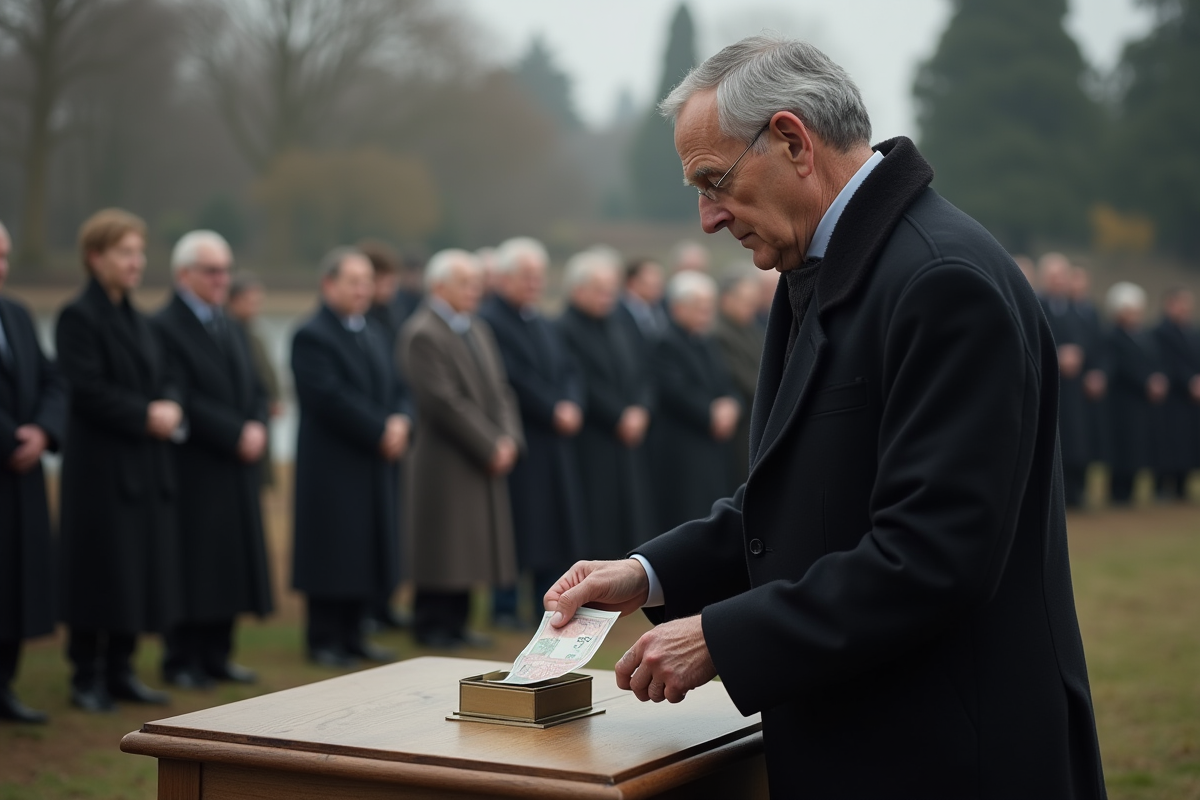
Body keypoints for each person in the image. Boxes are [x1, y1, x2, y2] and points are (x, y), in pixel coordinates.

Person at [544, 36, 1105, 799]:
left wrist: (720, 637)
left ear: (792, 141)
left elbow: (933, 555)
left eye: (714, 182)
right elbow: (800, 498)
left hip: (949, 756)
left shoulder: (942, 282)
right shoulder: (824, 263)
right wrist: (646, 575)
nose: (708, 218)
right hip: (874, 736)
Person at [56, 208, 182, 712]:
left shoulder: (140, 318)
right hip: (99, 470)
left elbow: (166, 374)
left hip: (143, 468)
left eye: (140, 253)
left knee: (134, 571)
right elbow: (85, 388)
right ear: (95, 257)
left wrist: (171, 404)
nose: (137, 262)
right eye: (125, 252)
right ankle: (86, 675)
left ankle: (121, 669)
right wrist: (144, 414)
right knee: (98, 570)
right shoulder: (78, 317)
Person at [152, 231, 273, 689]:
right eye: (212, 271)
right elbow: (181, 393)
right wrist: (234, 432)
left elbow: (256, 387)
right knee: (194, 565)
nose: (223, 279)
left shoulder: (229, 324)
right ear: (184, 274)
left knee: (229, 563)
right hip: (195, 467)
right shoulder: (164, 325)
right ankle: (182, 658)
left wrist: (257, 423)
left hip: (236, 465)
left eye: (225, 270)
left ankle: (219, 654)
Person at [291, 247, 414, 667]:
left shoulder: (373, 331)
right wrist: (381, 429)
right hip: (332, 464)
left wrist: (402, 421)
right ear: (329, 284)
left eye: (367, 282)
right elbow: (328, 397)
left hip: (372, 461)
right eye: (353, 282)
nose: (363, 290)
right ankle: (324, 637)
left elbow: (399, 386)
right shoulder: (312, 335)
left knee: (364, 548)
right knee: (333, 549)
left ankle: (355, 633)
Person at [400, 249, 522, 648]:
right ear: (439, 286)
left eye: (476, 283)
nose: (475, 291)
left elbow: (500, 390)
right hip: (445, 458)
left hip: (479, 453)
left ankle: (457, 622)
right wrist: (490, 444)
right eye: (465, 284)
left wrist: (508, 439)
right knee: (442, 543)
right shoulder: (423, 332)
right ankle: (431, 624)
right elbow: (443, 402)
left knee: (468, 544)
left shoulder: (476, 328)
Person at [479, 237, 586, 627]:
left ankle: (548, 599)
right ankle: (505, 606)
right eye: (526, 275)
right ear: (504, 278)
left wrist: (572, 402)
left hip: (553, 440)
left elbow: (569, 368)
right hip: (520, 436)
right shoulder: (489, 321)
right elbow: (511, 376)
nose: (535, 283)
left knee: (551, 524)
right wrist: (553, 408)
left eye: (539, 276)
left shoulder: (541, 320)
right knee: (518, 524)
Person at [0, 220, 66, 723]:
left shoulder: (17, 314)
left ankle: (4, 685)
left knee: (15, 580)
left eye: (5, 256)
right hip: (6, 458)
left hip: (21, 474)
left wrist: (43, 431)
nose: (1, 267)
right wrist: (11, 438)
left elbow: (52, 379)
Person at [557, 249, 657, 558]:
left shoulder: (619, 323)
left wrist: (641, 409)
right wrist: (619, 416)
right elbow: (582, 380)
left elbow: (643, 371)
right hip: (595, 437)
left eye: (611, 290)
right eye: (600, 290)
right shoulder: (564, 328)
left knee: (631, 516)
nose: (608, 297)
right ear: (578, 290)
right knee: (599, 517)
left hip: (629, 434)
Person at [652, 271, 740, 531]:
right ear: (678, 308)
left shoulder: (705, 341)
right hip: (683, 444)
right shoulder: (665, 342)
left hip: (712, 440)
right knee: (689, 512)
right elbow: (674, 390)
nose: (706, 313)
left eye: (709, 306)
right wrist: (712, 413)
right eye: (699, 306)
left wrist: (732, 406)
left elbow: (726, 383)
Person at [357, 238, 412, 631]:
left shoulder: (391, 316)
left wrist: (402, 420)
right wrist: (382, 425)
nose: (389, 289)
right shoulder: (365, 320)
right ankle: (367, 609)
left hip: (394, 436)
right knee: (363, 530)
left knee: (390, 526)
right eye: (383, 281)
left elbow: (401, 377)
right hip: (369, 437)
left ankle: (385, 601)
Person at [1105, 283, 1168, 505]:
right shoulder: (1113, 337)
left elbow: (1155, 361)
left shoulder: (1144, 336)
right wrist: (1146, 381)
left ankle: (1131, 488)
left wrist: (1158, 378)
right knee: (1123, 445)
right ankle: (1118, 491)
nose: (1135, 315)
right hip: (1123, 401)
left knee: (1139, 446)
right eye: (1130, 311)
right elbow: (1121, 365)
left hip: (1143, 402)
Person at [1038, 253, 1091, 508]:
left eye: (1062, 276)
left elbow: (1088, 340)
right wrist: (1057, 355)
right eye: (1054, 276)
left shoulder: (1074, 309)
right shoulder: (1036, 304)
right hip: (1049, 382)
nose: (1059, 280)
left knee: (1075, 438)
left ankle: (1075, 492)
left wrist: (1079, 354)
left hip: (1073, 386)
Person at [227, 272, 283, 488]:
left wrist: (275, 398)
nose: (255, 307)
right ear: (234, 300)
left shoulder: (256, 334)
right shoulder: (228, 334)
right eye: (250, 301)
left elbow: (267, 371)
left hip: (260, 416)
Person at [712, 267, 765, 489]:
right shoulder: (717, 332)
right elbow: (740, 377)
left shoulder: (751, 327)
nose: (750, 308)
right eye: (745, 301)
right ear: (726, 299)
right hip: (742, 422)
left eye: (753, 302)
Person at [1151, 288, 1200, 500]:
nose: (1185, 308)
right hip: (1171, 397)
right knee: (1168, 442)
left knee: (1188, 442)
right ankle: (1163, 485)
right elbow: (1168, 362)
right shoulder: (1160, 332)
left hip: (1191, 399)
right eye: (1180, 303)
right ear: (1169, 304)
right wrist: (1189, 381)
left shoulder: (1192, 332)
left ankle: (1182, 484)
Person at [618, 258, 668, 345]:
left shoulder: (662, 307)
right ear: (632, 282)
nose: (658, 281)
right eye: (652, 275)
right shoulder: (616, 312)